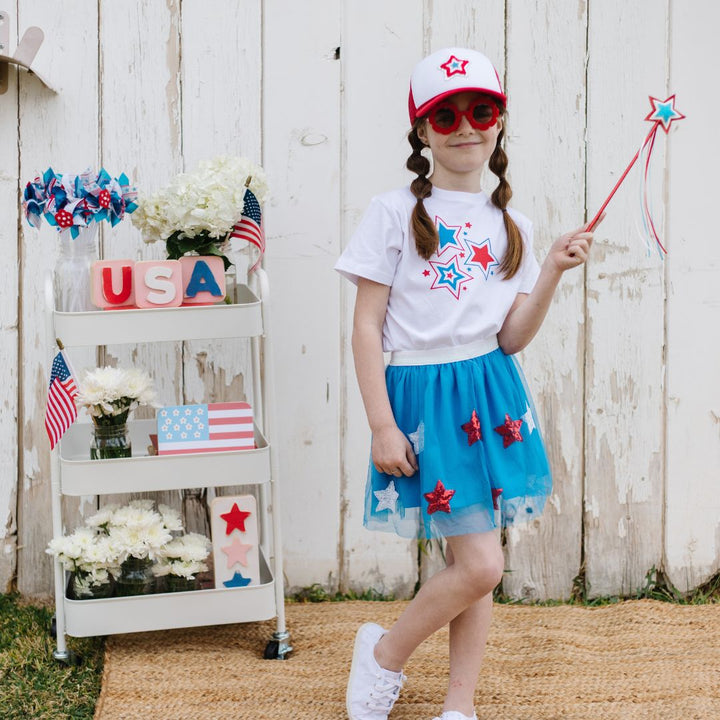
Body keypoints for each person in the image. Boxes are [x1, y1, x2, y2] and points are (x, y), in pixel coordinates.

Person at [335, 47, 599, 720]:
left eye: (481, 111)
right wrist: (381, 423)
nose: (465, 127)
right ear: (422, 132)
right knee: (481, 564)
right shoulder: (392, 213)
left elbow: (511, 337)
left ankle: (459, 705)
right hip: (424, 400)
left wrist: (552, 275)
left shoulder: (514, 225)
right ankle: (385, 654)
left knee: (474, 559)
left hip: (492, 393)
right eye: (445, 115)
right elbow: (367, 327)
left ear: (499, 121)